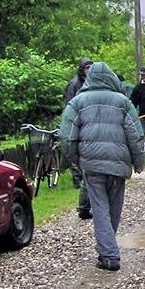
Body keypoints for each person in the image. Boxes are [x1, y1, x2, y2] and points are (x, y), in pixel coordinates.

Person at [60, 62, 145, 271]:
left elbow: (67, 137)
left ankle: (108, 254)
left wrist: (75, 159)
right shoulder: (123, 102)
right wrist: (139, 162)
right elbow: (135, 135)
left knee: (100, 209)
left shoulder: (77, 103)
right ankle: (108, 249)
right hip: (118, 163)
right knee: (114, 209)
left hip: (92, 163)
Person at [64, 58, 93, 219]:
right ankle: (83, 203)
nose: (89, 70)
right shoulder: (74, 84)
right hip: (78, 126)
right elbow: (69, 106)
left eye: (91, 67)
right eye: (86, 68)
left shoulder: (92, 84)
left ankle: (86, 203)